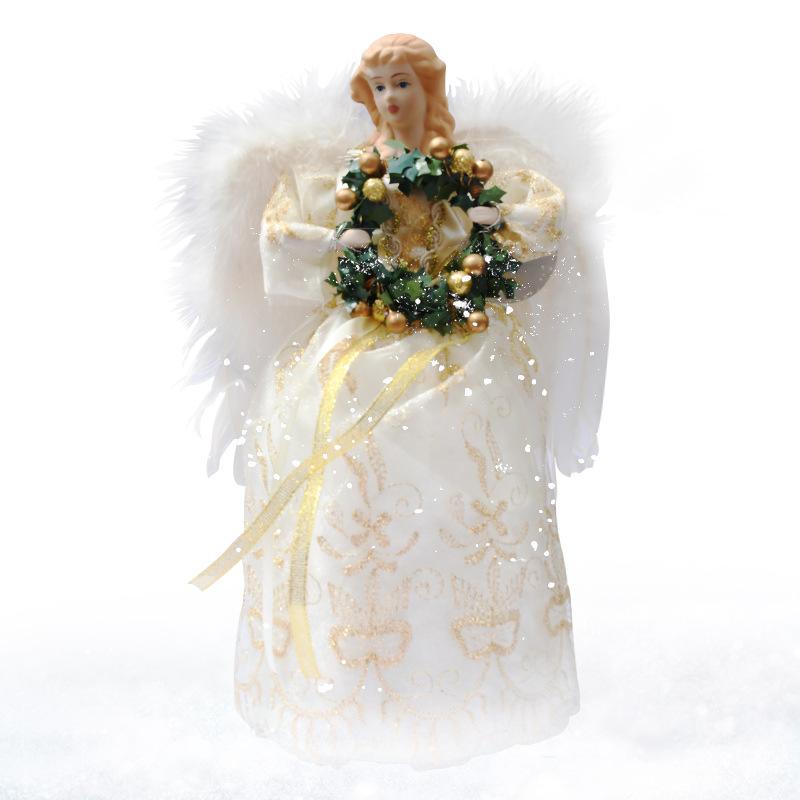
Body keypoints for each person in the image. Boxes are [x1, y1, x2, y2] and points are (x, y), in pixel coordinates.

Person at [168, 33, 610, 769]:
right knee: (347, 488)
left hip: (464, 343)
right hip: (355, 345)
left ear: (428, 87)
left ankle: (475, 676)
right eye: (379, 86)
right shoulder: (336, 175)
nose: (392, 98)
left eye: (404, 82)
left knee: (476, 484)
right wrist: (350, 255)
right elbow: (283, 244)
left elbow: (541, 230)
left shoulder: (476, 168)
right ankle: (347, 678)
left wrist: (486, 245)